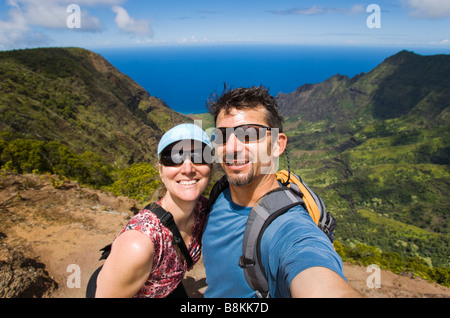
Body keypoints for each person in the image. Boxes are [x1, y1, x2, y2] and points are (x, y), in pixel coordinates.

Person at [202, 86, 361, 298]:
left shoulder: (290, 230)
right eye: (222, 135)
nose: (232, 148)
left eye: (249, 134)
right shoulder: (218, 193)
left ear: (278, 144)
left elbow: (316, 276)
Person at [90, 123, 212, 298]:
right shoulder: (139, 245)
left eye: (199, 156)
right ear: (161, 172)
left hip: (165, 286)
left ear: (210, 167)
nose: (188, 168)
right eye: (174, 158)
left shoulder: (204, 210)